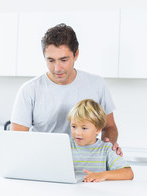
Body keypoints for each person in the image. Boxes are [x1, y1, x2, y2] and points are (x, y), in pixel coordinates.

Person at [10, 23, 121, 154]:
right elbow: (17, 140)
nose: (57, 68)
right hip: (44, 163)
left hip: (86, 164)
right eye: (51, 60)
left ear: (76, 54)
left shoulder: (96, 84)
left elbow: (109, 127)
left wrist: (109, 147)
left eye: (63, 60)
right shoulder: (29, 90)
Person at [67, 99, 134, 182]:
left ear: (98, 130)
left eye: (84, 128)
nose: (77, 133)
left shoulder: (106, 149)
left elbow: (128, 173)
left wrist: (103, 175)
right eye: (74, 126)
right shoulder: (66, 146)